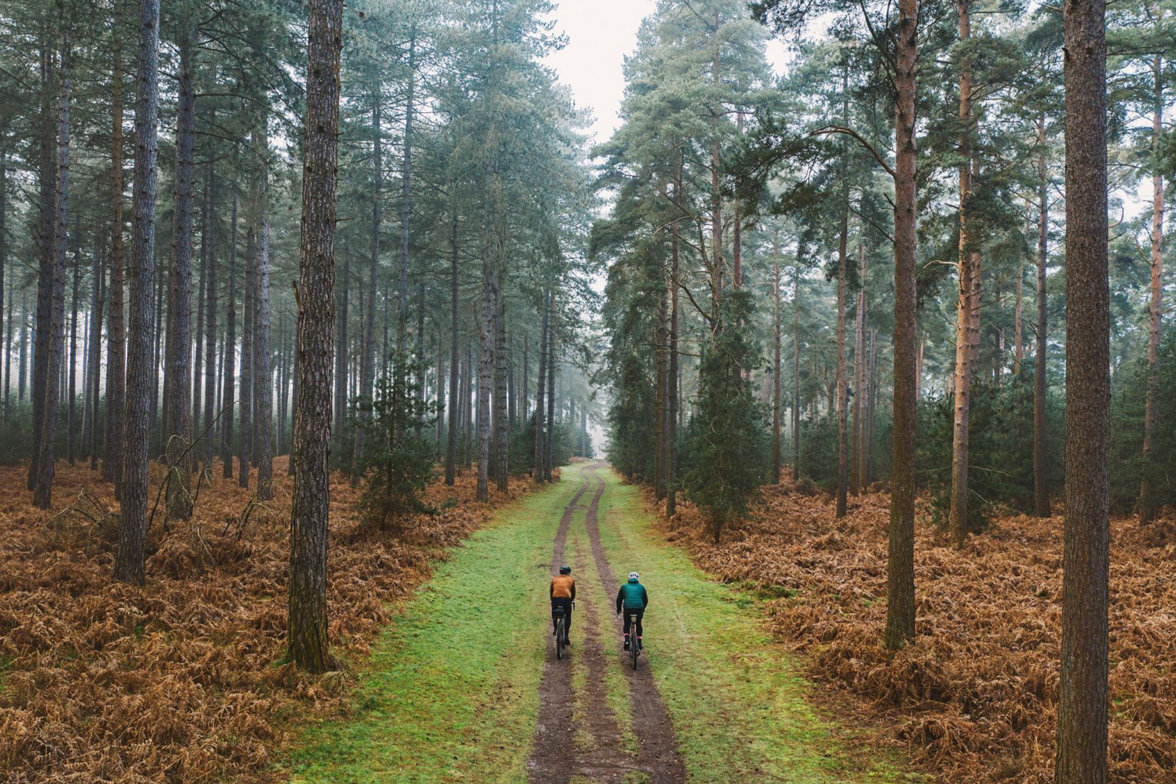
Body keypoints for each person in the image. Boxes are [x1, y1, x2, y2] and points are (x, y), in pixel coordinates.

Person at [615, 571, 648, 651]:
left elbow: (619, 599)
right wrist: (643, 609)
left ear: (628, 578)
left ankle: (626, 640)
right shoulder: (641, 587)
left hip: (627, 608)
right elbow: (645, 600)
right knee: (639, 623)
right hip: (639, 608)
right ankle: (639, 642)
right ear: (638, 579)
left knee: (627, 623)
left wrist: (619, 609)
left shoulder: (624, 587)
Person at [550, 565, 575, 645]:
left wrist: (552, 600)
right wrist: (571, 600)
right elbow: (573, 592)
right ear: (568, 572)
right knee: (568, 616)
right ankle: (566, 635)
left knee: (554, 613)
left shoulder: (554, 579)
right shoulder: (571, 579)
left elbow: (551, 591)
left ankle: (555, 628)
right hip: (566, 600)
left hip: (555, 599)